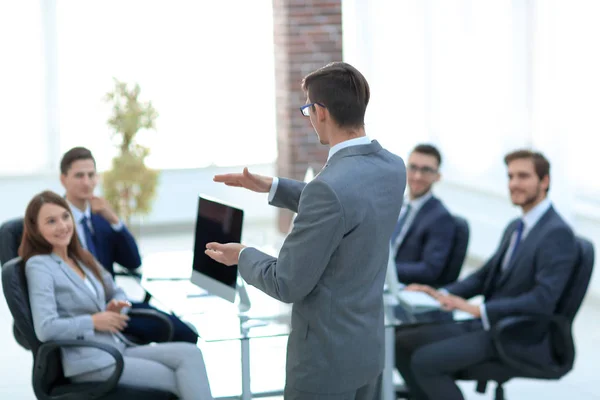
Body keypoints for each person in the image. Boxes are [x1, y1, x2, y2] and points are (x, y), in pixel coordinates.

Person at [205, 62, 406, 400]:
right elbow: (347, 205)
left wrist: (243, 255)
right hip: (366, 351)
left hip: (323, 365)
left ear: (321, 111)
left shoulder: (328, 189)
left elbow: (286, 283)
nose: (309, 117)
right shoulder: (392, 167)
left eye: (308, 109)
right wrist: (273, 187)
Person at [395, 150, 578, 400]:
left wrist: (478, 310)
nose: (514, 183)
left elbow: (542, 300)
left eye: (523, 176)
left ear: (544, 181)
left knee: (425, 362)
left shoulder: (557, 233)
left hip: (517, 334)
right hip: (490, 324)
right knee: (399, 342)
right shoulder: (517, 226)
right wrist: (441, 294)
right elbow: (483, 276)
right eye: (510, 176)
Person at [21, 191, 213, 399]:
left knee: (191, 353)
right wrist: (93, 321)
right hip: (91, 362)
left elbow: (116, 290)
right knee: (178, 379)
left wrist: (116, 304)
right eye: (51, 221)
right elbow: (46, 328)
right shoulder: (39, 266)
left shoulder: (80, 255)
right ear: (36, 229)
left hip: (117, 345)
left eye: (65, 216)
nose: (62, 226)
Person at [59, 146, 198, 344]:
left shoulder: (99, 219)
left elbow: (133, 261)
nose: (87, 182)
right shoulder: (55, 222)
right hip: (84, 314)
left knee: (186, 332)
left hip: (115, 305)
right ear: (63, 179)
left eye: (91, 175)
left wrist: (113, 219)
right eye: (79, 176)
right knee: (175, 332)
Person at [391, 144, 456, 285]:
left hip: (402, 287)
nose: (417, 176)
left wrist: (383, 269)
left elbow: (429, 269)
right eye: (413, 167)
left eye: (426, 170)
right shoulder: (392, 204)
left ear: (437, 176)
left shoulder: (441, 217)